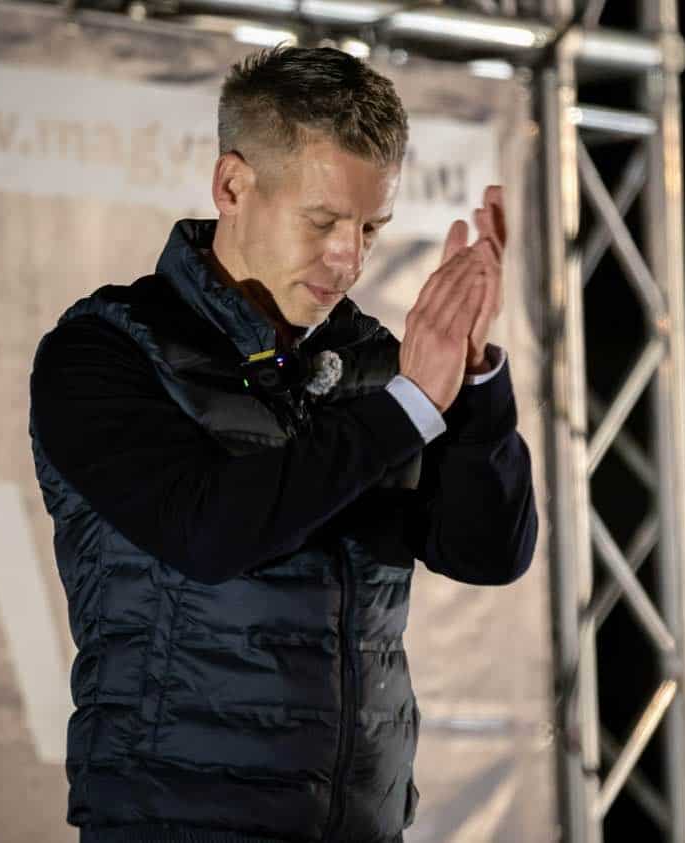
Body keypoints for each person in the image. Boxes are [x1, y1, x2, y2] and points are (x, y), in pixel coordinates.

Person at [29, 45, 537, 843]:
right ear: (233, 186)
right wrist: (408, 404)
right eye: (323, 221)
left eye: (371, 227)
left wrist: (472, 381)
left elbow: (487, 551)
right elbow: (207, 531)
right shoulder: (106, 351)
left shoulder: (375, 365)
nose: (349, 257)